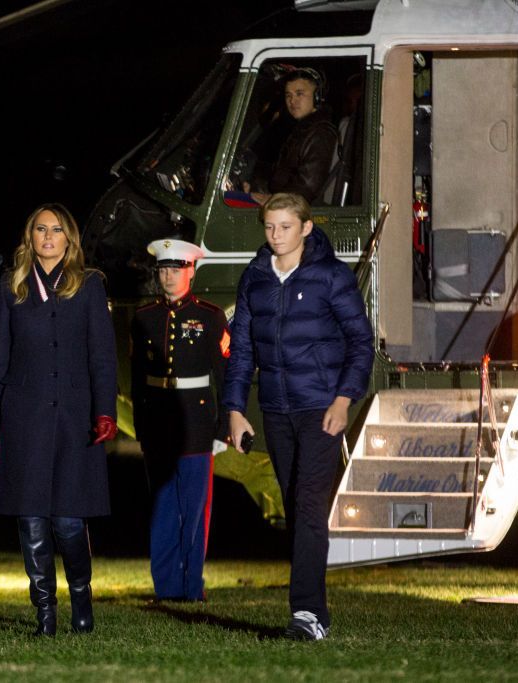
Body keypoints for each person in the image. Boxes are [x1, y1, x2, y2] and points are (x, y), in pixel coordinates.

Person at [223, 193, 373, 641]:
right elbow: (242, 350)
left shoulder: (330, 276)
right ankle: (319, 610)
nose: (275, 235)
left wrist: (344, 400)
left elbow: (361, 344)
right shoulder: (254, 278)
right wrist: (233, 408)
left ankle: (305, 613)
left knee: (309, 507)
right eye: (269, 227)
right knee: (296, 508)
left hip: (321, 409)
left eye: (285, 227)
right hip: (276, 409)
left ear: (306, 228)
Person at [0, 203, 118, 636]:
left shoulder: (89, 285)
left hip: (75, 420)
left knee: (70, 521)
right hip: (25, 418)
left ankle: (81, 598)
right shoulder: (12, 286)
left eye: (57, 229)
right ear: (30, 237)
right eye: (41, 229)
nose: (49, 236)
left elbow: (102, 356)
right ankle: (45, 613)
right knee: (32, 519)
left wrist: (105, 409)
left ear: (69, 237)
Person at [130, 239, 229, 602]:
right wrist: (141, 424)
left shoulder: (209, 316)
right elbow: (138, 377)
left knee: (194, 510)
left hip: (196, 424)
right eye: (163, 270)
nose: (168, 276)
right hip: (158, 423)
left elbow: (224, 374)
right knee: (163, 511)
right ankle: (167, 588)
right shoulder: (144, 318)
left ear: (191, 271)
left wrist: (223, 428)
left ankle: (191, 587)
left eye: (176, 269)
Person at [250, 69, 339, 205]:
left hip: (298, 211)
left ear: (317, 97)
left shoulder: (321, 133)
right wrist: (256, 187)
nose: (292, 101)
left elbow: (308, 186)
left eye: (300, 94)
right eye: (288, 95)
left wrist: (275, 200)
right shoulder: (302, 129)